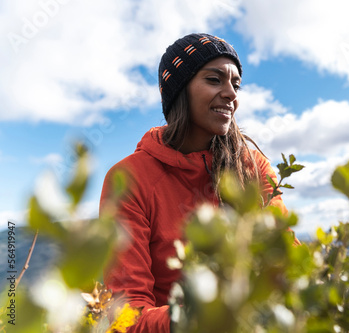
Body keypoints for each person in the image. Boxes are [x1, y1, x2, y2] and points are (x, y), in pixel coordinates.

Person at [99, 33, 293, 332]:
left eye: (236, 84)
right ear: (180, 91)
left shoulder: (253, 168)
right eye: (215, 79)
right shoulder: (129, 179)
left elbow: (289, 266)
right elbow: (127, 314)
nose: (231, 94)